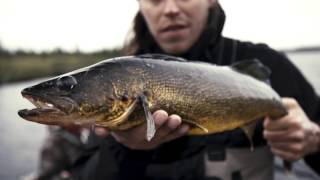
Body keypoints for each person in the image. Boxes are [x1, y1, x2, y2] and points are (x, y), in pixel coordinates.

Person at [71, 0, 320, 180]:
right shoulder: (120, 81)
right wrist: (126, 149)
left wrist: (313, 139)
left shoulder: (267, 64)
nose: (170, 9)